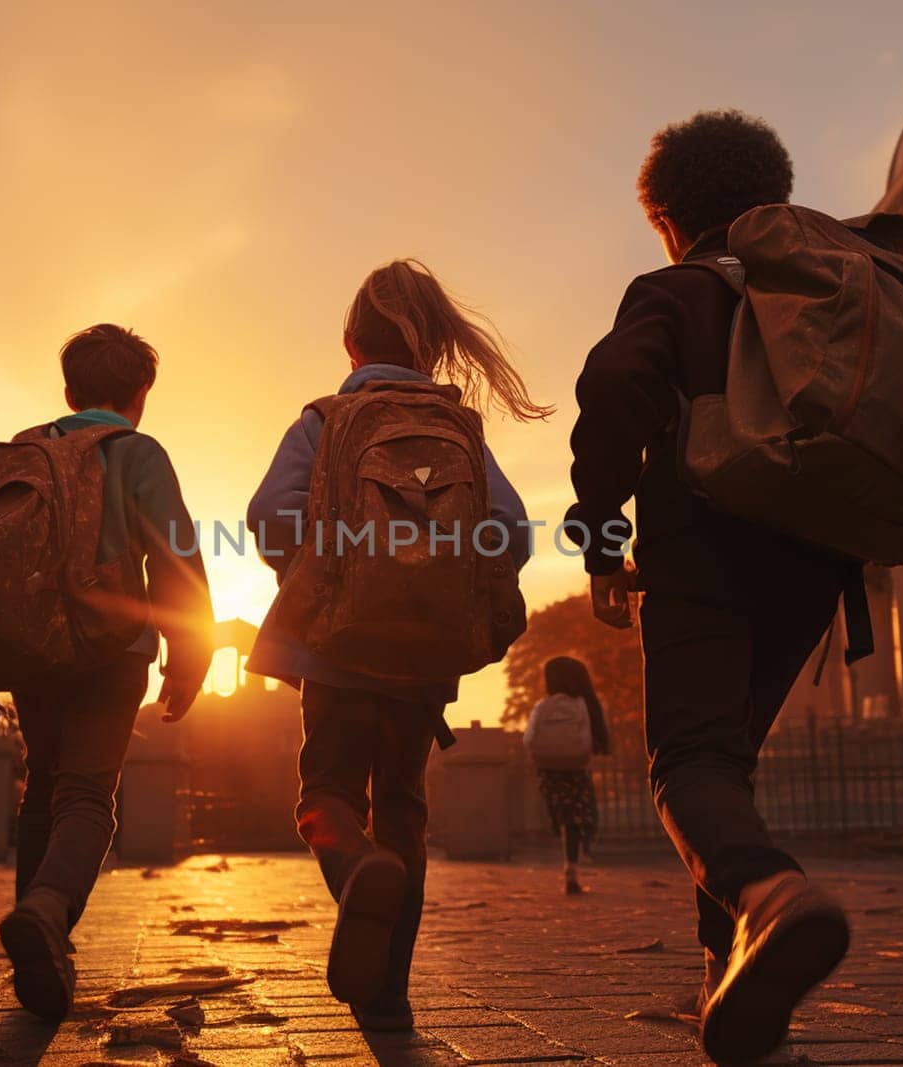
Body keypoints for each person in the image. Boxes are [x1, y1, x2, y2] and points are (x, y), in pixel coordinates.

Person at [566, 111, 852, 1063]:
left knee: (687, 763)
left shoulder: (679, 291)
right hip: (816, 561)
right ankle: (722, 977)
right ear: (773, 196)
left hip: (703, 552)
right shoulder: (828, 296)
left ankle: (771, 895)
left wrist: (603, 540)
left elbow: (614, 390)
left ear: (667, 219)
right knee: (726, 761)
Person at [247, 260, 545, 1032]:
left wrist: (329, 576)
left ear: (350, 343)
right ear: (435, 351)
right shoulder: (460, 431)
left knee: (325, 796)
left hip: (336, 657)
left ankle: (356, 868)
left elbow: (270, 514)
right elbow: (510, 531)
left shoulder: (326, 420)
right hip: (424, 667)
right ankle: (391, 994)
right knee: (404, 808)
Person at [0, 324, 214, 1021]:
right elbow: (177, 557)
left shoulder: (27, 449)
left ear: (68, 391)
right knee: (89, 796)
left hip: (32, 652)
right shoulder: (137, 452)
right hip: (112, 651)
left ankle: (42, 945)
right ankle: (47, 911)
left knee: (43, 790)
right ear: (140, 395)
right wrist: (190, 657)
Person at [522, 656, 611, 894]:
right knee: (579, 817)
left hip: (549, 772)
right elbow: (594, 737)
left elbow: (528, 739)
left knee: (561, 817)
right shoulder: (584, 704)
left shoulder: (543, 706)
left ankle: (557, 828)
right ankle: (574, 863)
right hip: (576, 770)